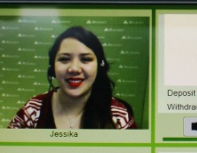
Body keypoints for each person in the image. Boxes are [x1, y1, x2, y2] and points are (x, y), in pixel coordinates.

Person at [8, 26, 136, 130]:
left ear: (99, 66)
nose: (74, 69)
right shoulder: (33, 110)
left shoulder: (118, 115)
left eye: (85, 59)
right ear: (53, 67)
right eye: (64, 59)